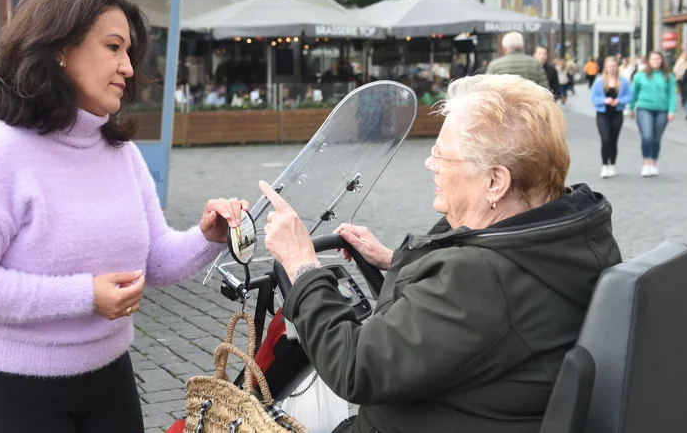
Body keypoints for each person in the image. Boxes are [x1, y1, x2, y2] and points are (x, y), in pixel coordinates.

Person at [0, 0, 249, 433]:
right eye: (113, 47)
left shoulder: (120, 152)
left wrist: (210, 236)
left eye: (129, 51)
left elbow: (151, 260)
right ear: (58, 49)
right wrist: (85, 296)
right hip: (3, 385)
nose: (128, 67)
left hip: (108, 375)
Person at [260, 74, 621, 433]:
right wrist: (390, 259)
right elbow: (482, 310)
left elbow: (355, 369)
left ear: (495, 181)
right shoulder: (568, 230)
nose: (430, 164)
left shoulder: (478, 279)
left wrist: (302, 265)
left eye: (442, 155)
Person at [629, 51, 676, 177]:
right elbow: (634, 92)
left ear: (662, 61)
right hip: (644, 108)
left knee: (656, 138)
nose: (656, 61)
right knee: (647, 135)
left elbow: (672, 94)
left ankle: (654, 163)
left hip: (662, 110)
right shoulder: (640, 75)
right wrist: (630, 107)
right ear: (649, 61)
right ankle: (646, 163)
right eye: (653, 59)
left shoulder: (668, 76)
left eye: (658, 59)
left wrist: (672, 110)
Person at [590, 56, 632, 178]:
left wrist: (619, 101)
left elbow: (629, 96)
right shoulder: (599, 81)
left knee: (614, 140)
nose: (611, 69)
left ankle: (612, 163)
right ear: (605, 68)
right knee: (605, 139)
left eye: (613, 66)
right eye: (609, 66)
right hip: (603, 114)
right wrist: (605, 100)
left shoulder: (623, 81)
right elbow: (593, 98)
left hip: (617, 114)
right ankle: (604, 165)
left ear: (616, 67)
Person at [484, 32, 550, 90]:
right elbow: (545, 90)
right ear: (522, 47)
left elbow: (487, 91)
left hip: (503, 103)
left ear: (504, 48)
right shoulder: (535, 64)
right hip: (530, 103)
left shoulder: (494, 66)